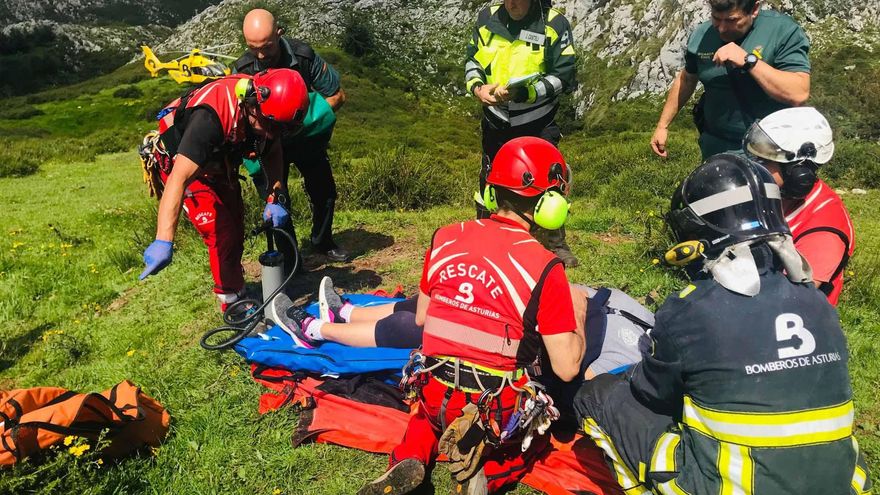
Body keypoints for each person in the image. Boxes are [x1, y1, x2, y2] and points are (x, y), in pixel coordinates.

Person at [574, 154, 872, 495]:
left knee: (596, 397)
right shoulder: (817, 302)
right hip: (838, 483)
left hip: (734, 484)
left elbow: (653, 394)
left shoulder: (691, 308)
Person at [354, 137, 584, 495]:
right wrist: (578, 314)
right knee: (535, 435)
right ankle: (487, 474)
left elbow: (421, 319)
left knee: (422, 419)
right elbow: (567, 366)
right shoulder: (546, 266)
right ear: (548, 203)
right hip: (496, 406)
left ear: (492, 192)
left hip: (432, 390)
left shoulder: (445, 236)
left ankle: (409, 458)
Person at [138, 69, 308, 312]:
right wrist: (164, 240)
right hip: (183, 165)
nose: (272, 133)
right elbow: (179, 179)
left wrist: (275, 195)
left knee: (235, 224)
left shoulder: (268, 113)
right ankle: (233, 304)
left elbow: (272, 151)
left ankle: (236, 287)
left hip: (219, 166)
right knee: (222, 232)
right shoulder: (210, 119)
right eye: (269, 125)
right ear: (250, 104)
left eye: (281, 128)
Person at [269, 278, 651, 380]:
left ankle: (315, 330)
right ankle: (347, 312)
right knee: (437, 303)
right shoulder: (649, 322)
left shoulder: (632, 368)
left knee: (427, 328)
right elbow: (575, 290)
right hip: (534, 318)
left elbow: (572, 372)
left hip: (522, 345)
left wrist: (575, 317)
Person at [465, 0, 579, 267]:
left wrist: (527, 92)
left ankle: (555, 241)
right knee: (490, 181)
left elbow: (564, 75)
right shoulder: (487, 18)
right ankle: (487, 237)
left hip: (537, 120)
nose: (512, 3)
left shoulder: (554, 23)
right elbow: (473, 59)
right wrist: (478, 88)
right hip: (496, 119)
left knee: (550, 180)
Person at [233, 8, 349, 263]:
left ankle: (323, 242)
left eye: (267, 46)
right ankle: (290, 258)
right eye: (254, 48)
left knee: (324, 191)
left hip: (305, 136)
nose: (261, 55)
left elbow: (337, 95)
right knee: (276, 202)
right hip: (268, 143)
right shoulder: (242, 68)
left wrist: (301, 120)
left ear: (279, 33)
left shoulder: (303, 56)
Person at [650, 0, 811, 159]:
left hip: (771, 148)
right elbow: (687, 79)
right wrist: (662, 126)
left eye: (731, 20)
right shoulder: (701, 35)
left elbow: (798, 93)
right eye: (716, 18)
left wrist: (748, 60)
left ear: (754, 9)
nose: (722, 28)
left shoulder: (782, 30)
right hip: (717, 147)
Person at [744, 106, 855, 305]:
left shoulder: (824, 232)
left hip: (788, 325)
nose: (755, 166)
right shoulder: (774, 194)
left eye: (765, 161)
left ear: (798, 173)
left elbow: (789, 300)